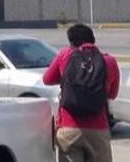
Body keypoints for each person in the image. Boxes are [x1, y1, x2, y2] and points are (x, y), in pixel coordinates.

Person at [43, 23, 119, 162]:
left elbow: (47, 79)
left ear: (71, 42)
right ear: (93, 40)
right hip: (98, 129)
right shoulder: (109, 61)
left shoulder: (65, 55)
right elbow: (112, 94)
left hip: (69, 129)